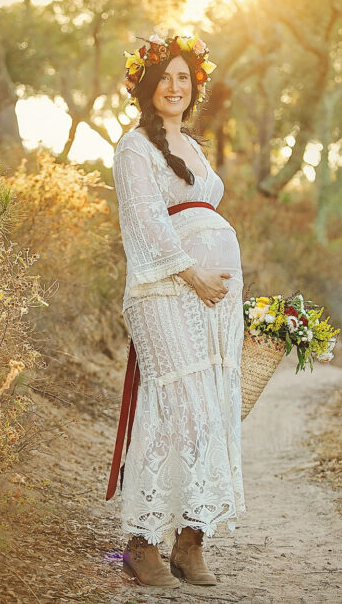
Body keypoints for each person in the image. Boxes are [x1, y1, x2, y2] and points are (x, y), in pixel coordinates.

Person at [106, 34, 245, 588]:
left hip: (213, 297)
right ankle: (142, 543)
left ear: (196, 87)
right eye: (164, 76)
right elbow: (145, 224)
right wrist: (192, 272)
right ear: (145, 83)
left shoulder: (193, 146)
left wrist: (220, 283)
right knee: (181, 406)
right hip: (165, 287)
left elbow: (201, 214)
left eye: (184, 77)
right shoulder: (133, 147)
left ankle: (191, 542)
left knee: (212, 407)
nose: (175, 86)